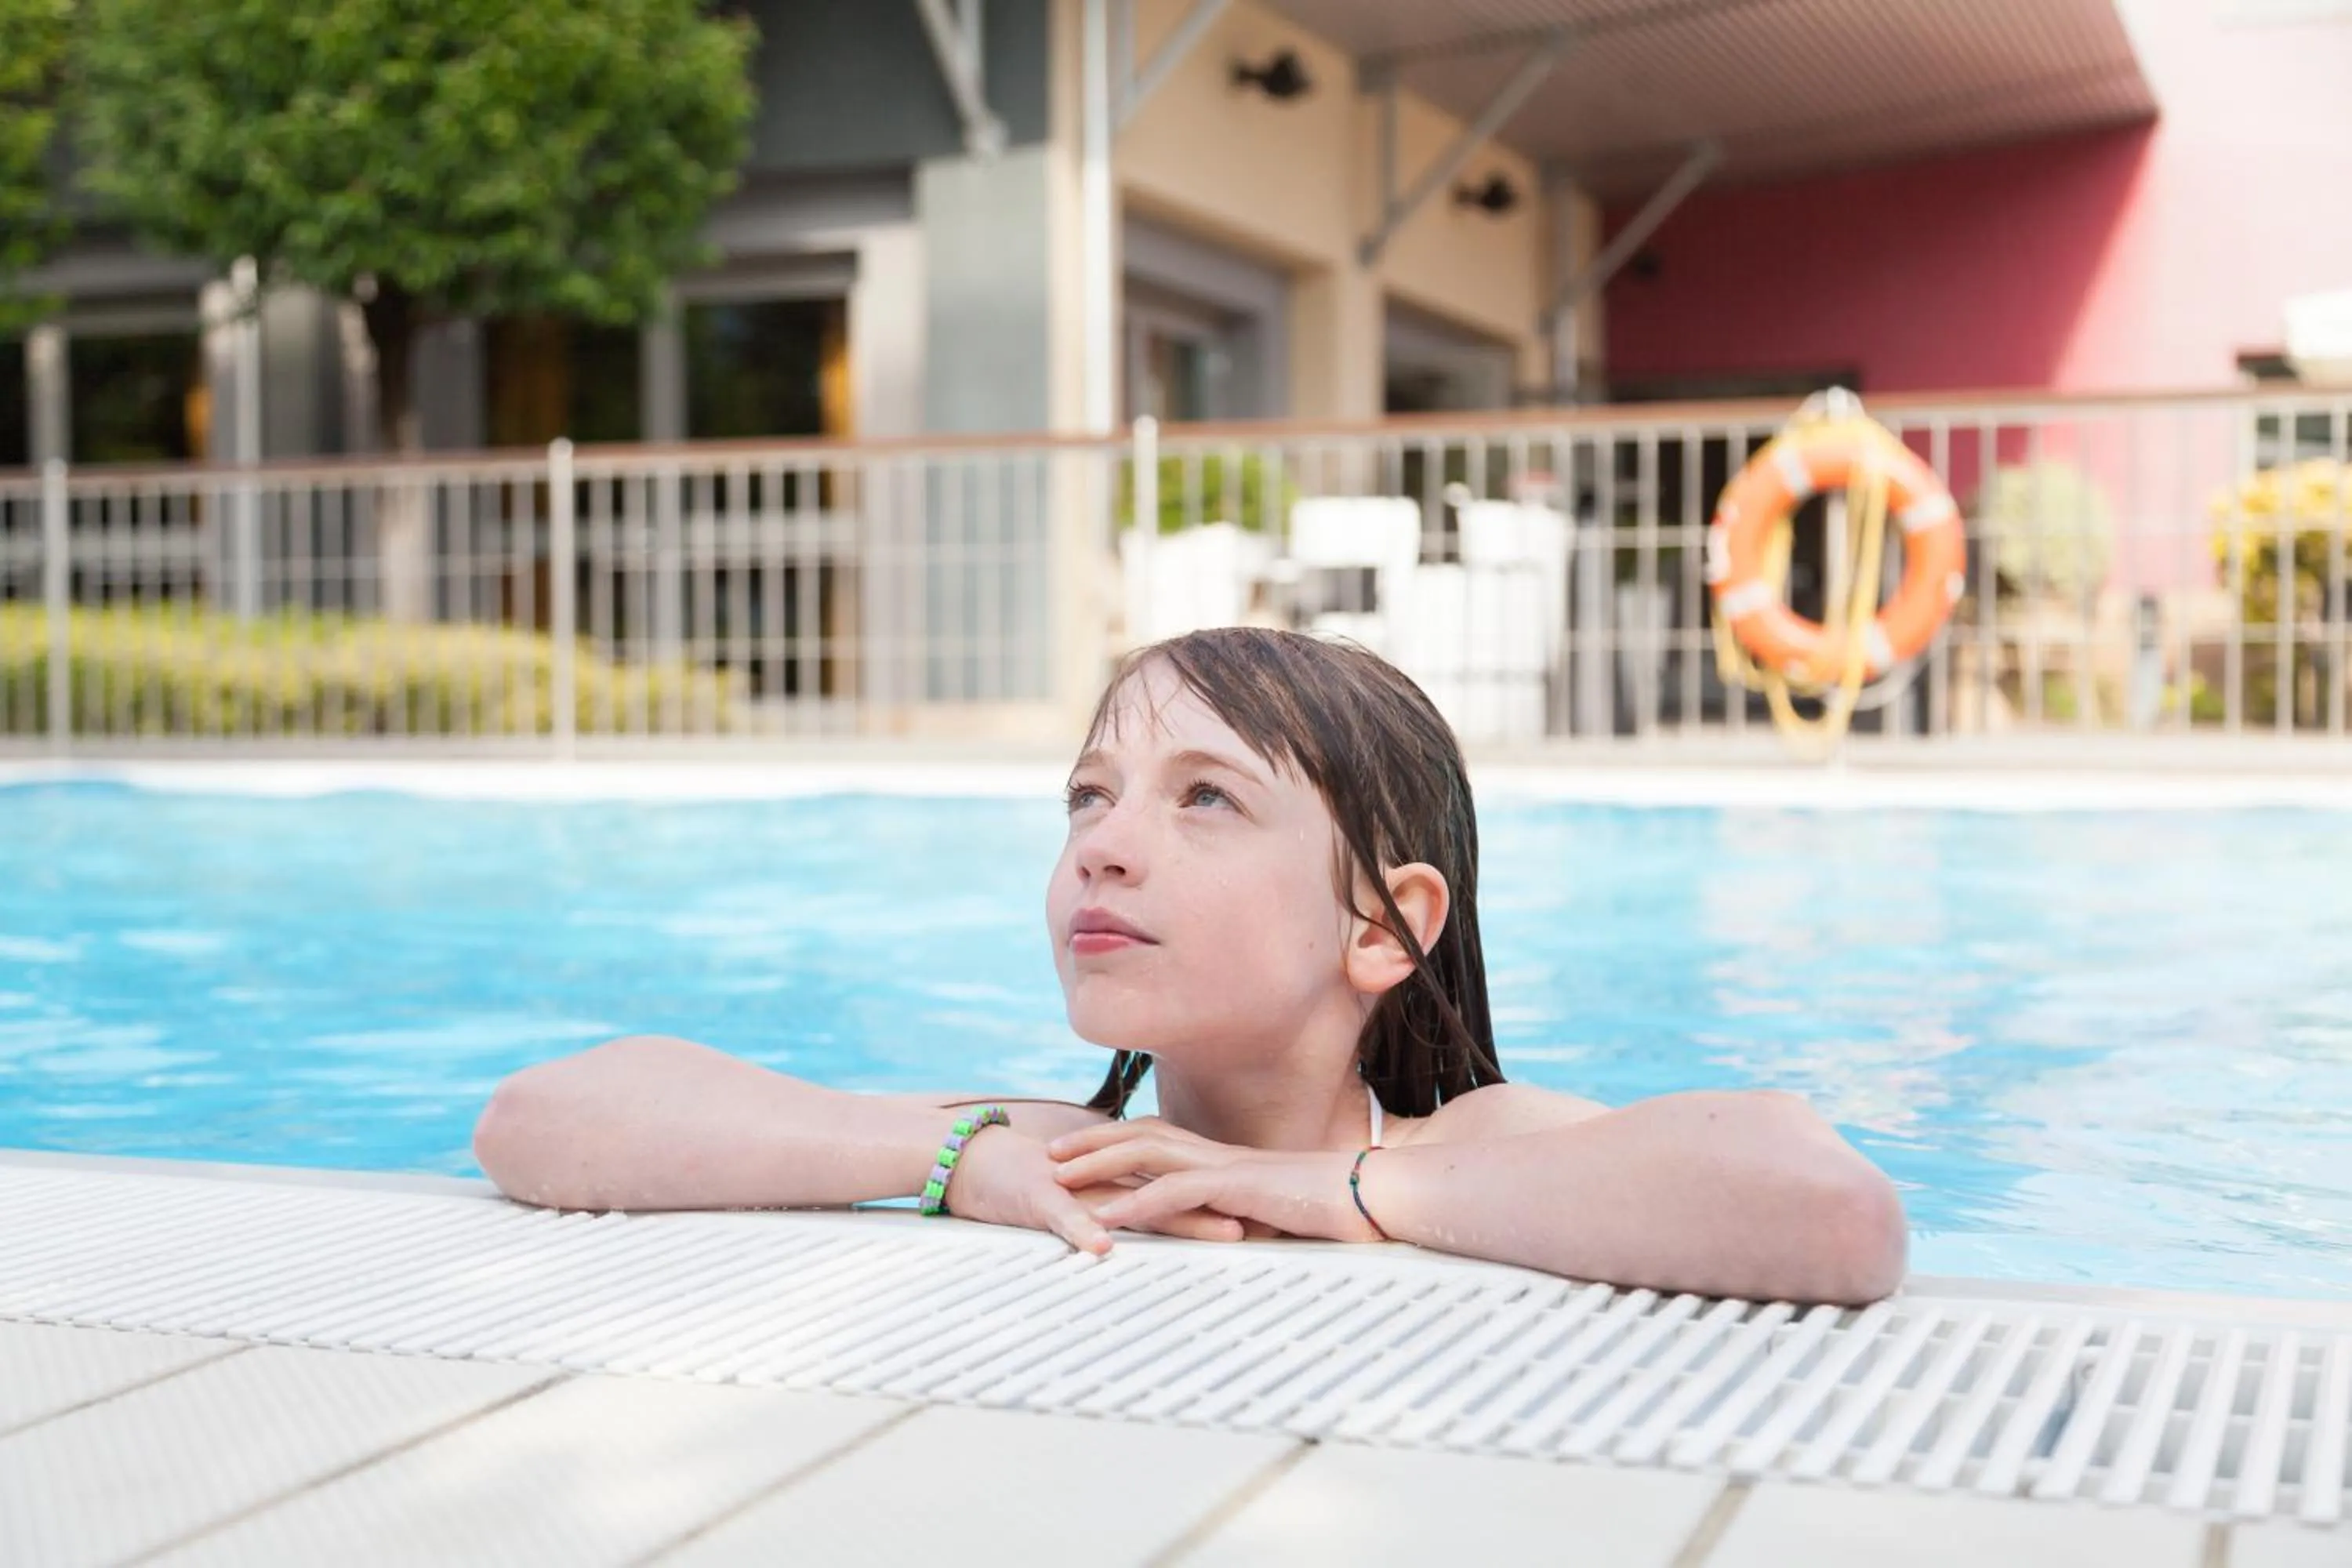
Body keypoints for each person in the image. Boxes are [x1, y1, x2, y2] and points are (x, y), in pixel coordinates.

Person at [473, 628, 1907, 1305]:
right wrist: (950, 1162)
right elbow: (541, 1120)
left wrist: (1342, 1189)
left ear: (1381, 927)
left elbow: (1831, 1213)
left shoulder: (1464, 1147)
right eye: (1089, 799)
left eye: (1204, 798)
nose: (1104, 847)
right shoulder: (1055, 1149)